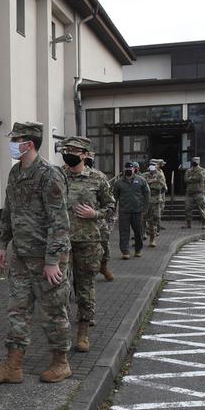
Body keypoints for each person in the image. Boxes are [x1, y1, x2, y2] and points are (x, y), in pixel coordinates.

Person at [0, 122, 72, 385]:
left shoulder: (49, 175)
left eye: (15, 139)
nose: (11, 143)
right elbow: (9, 210)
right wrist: (1, 244)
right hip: (21, 255)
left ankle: (60, 363)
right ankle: (13, 366)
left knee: (53, 311)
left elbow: (59, 222)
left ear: (29, 143)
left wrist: (53, 261)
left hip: (47, 259)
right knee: (17, 310)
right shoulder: (15, 173)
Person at [60, 137, 115, 352]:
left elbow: (111, 207)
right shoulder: (58, 177)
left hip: (88, 241)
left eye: (74, 150)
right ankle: (61, 331)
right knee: (60, 289)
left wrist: (95, 214)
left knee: (84, 288)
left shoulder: (98, 179)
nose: (69, 153)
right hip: (61, 242)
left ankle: (83, 332)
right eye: (67, 149)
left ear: (85, 154)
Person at [85, 155, 115, 282]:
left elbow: (109, 204)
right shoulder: (63, 175)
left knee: (104, 248)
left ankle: (103, 267)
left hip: (98, 222)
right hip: (76, 224)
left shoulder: (98, 177)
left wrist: (97, 214)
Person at [112, 162, 149, 259]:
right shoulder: (118, 182)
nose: (129, 170)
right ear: (124, 170)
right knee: (124, 232)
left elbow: (147, 194)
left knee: (138, 231)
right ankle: (125, 251)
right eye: (127, 168)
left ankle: (138, 249)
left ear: (134, 169)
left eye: (130, 168)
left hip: (137, 210)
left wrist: (145, 207)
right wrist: (113, 210)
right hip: (124, 210)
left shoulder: (141, 180)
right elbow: (114, 197)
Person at [141, 159, 167, 247]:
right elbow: (142, 187)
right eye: (150, 165)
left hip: (155, 202)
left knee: (153, 221)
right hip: (145, 201)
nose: (152, 166)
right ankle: (141, 238)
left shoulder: (160, 175)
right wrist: (153, 182)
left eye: (153, 165)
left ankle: (152, 240)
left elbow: (159, 187)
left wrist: (149, 183)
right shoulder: (144, 175)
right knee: (142, 220)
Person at [183, 156, 205, 229]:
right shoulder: (188, 170)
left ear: (199, 162)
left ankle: (204, 223)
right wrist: (193, 178)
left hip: (199, 192)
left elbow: (200, 177)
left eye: (196, 161)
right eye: (194, 161)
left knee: (201, 209)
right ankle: (188, 223)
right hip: (189, 193)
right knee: (187, 208)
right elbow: (185, 179)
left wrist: (191, 178)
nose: (195, 162)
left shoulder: (202, 170)